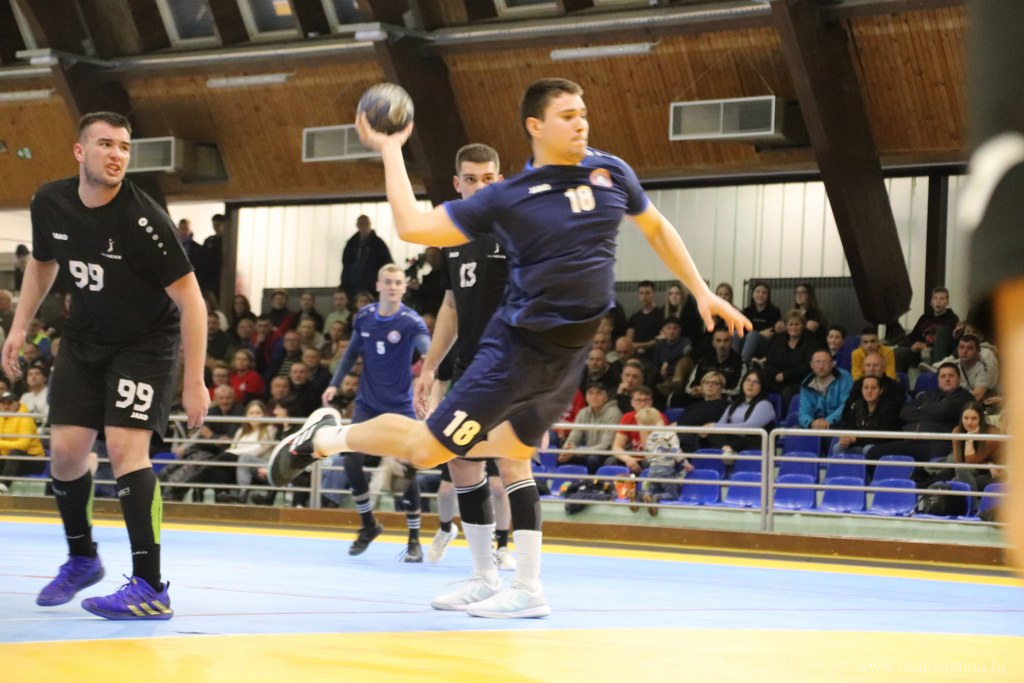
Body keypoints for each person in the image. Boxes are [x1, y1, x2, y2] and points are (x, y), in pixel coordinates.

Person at [269, 77, 748, 616]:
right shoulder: (509, 196)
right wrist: (392, 149)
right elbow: (411, 226)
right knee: (429, 451)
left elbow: (655, 227)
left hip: (568, 355)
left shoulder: (611, 171)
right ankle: (325, 437)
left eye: (583, 112)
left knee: (517, 457)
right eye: (567, 115)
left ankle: (525, 587)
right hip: (516, 352)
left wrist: (701, 290)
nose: (581, 122)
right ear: (535, 126)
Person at [2, 111, 208, 620]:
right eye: (106, 144)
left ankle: (150, 587)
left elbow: (193, 301)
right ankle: (82, 559)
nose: (116, 155)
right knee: (65, 455)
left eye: (124, 147)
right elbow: (43, 263)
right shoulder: (50, 202)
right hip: (85, 337)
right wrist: (19, 325)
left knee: (123, 447)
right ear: (80, 152)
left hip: (145, 343)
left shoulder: (145, 220)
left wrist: (195, 380)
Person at [410, 145, 535, 592]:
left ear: (498, 180)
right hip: (467, 366)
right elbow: (450, 305)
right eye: (470, 179)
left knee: (513, 465)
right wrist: (430, 368)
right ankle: (484, 576)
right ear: (457, 184)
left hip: (511, 364)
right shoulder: (452, 236)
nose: (480, 186)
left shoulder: (518, 228)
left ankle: (527, 584)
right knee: (462, 464)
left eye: (487, 178)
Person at [314, 263, 431, 560]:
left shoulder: (411, 321)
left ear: (404, 288)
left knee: (406, 469)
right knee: (350, 459)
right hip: (368, 404)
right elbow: (351, 353)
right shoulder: (365, 316)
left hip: (400, 406)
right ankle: (368, 525)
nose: (393, 287)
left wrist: (431, 373)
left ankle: (414, 539)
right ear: (378, 286)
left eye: (398, 283)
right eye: (388, 282)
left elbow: (428, 352)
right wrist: (334, 384)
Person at [636, 406, 691, 515]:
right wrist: (686, 464)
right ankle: (656, 498)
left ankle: (641, 496)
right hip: (666, 470)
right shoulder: (670, 434)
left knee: (652, 490)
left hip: (652, 470)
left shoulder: (650, 437)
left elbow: (648, 456)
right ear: (660, 418)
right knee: (672, 495)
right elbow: (676, 451)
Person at [560, 382, 623, 472]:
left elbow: (605, 446)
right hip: (588, 451)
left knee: (593, 459)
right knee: (562, 457)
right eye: (591, 393)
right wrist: (567, 448)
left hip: (608, 453)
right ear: (586, 397)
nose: (594, 397)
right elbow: (574, 436)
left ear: (606, 397)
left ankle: (593, 481)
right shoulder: (583, 412)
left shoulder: (614, 413)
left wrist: (575, 451)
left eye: (599, 393)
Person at [710, 369, 776, 453]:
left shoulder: (765, 404)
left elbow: (749, 427)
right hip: (733, 441)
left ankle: (728, 451)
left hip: (753, 445)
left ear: (761, 386)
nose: (750, 384)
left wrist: (715, 426)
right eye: (748, 380)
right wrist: (713, 428)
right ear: (742, 383)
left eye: (756, 382)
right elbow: (720, 425)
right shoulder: (733, 406)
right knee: (712, 433)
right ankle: (727, 450)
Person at [0, 391, 46, 493]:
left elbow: (22, 445)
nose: (6, 406)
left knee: (15, 452)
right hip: (9, 459)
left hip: (34, 460)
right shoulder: (1, 417)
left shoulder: (25, 418)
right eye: (3, 403)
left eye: (9, 403)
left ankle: (3, 486)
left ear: (17, 403)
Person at [797, 348, 854, 432]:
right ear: (811, 365)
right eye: (817, 362)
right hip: (816, 424)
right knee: (795, 431)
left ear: (832, 363)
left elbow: (846, 405)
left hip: (839, 423)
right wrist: (811, 423)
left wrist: (828, 421)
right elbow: (804, 412)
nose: (821, 366)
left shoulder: (844, 377)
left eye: (825, 362)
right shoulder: (806, 384)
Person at [950, 401, 1001, 493]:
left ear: (980, 419)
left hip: (994, 476)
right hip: (973, 472)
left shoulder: (992, 433)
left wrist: (969, 440)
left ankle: (971, 502)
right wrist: (987, 465)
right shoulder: (957, 431)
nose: (969, 422)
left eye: (974, 418)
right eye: (966, 418)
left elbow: (971, 463)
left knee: (957, 482)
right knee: (958, 476)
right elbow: (958, 462)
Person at [340, 215, 393, 300]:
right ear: (357, 225)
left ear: (370, 224)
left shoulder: (378, 244)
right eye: (361, 224)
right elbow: (345, 265)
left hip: (372, 288)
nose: (364, 226)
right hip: (351, 287)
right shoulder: (351, 244)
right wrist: (344, 284)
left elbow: (388, 265)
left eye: (366, 223)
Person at [737, 281, 782, 364]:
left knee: (753, 335)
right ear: (753, 295)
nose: (760, 295)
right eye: (757, 292)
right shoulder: (747, 311)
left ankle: (742, 363)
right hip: (746, 340)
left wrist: (756, 333)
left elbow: (771, 332)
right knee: (735, 334)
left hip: (764, 343)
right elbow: (742, 329)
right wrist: (760, 333)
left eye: (764, 293)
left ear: (768, 296)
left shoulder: (774, 311)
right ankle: (733, 361)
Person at [626, 280, 664, 356]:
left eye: (647, 293)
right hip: (636, 354)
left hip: (656, 354)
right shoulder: (634, 318)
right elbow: (628, 339)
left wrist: (640, 345)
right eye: (641, 293)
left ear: (653, 294)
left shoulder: (662, 315)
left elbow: (662, 338)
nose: (644, 296)